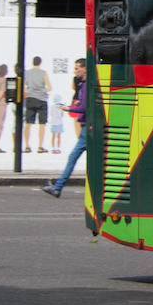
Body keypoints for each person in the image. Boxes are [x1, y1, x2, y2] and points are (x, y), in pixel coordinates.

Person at [44, 59, 93, 200]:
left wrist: (69, 108)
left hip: (87, 129)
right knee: (76, 158)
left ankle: (57, 187)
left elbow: (84, 108)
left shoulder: (86, 86)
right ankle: (57, 187)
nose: (75, 71)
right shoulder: (84, 85)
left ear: (85, 69)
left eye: (77, 68)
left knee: (73, 158)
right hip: (87, 128)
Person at [23, 56, 50, 151]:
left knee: (28, 123)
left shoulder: (27, 73)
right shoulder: (43, 73)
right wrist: (42, 90)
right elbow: (49, 88)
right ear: (40, 63)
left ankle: (27, 145)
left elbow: (24, 87)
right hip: (42, 99)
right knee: (42, 124)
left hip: (30, 98)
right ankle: (40, 146)